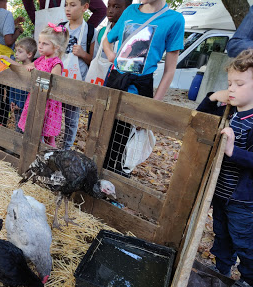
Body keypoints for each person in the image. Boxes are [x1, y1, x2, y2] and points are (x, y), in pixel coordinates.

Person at [195, 49, 253, 287]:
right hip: (220, 192)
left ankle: (249, 280)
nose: (232, 89)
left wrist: (233, 151)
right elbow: (201, 118)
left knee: (244, 239)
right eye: (229, 83)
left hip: (243, 201)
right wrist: (211, 97)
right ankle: (222, 270)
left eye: (239, 84)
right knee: (222, 233)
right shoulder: (231, 112)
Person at [101, 0, 184, 177]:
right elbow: (107, 40)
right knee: (102, 132)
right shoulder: (130, 11)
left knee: (124, 142)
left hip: (139, 87)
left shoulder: (174, 19)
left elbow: (170, 70)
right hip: (115, 80)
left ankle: (114, 184)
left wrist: (153, 107)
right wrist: (110, 55)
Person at [18, 24, 68, 147]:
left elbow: (54, 85)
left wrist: (37, 78)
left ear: (56, 47)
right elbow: (28, 68)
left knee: (47, 137)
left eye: (45, 44)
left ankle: (48, 156)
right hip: (36, 98)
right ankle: (33, 153)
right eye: (39, 42)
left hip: (48, 103)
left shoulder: (56, 64)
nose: (40, 46)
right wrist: (28, 68)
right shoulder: (41, 59)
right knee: (34, 130)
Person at [59, 0, 95, 150]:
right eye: (66, 4)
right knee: (52, 112)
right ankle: (48, 143)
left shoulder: (91, 31)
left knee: (71, 118)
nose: (68, 9)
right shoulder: (60, 28)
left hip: (77, 81)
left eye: (73, 5)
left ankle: (66, 149)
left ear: (84, 7)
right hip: (59, 77)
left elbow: (92, 60)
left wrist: (83, 54)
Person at [0, 0, 24, 127]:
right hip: (5, 57)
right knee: (7, 93)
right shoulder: (7, 14)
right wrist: (18, 32)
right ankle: (2, 123)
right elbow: (8, 40)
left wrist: (14, 23)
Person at [0, 37, 37, 132]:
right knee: (17, 126)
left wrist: (20, 104)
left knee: (25, 129)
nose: (16, 54)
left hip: (25, 107)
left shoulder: (31, 70)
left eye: (20, 52)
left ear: (29, 54)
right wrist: (11, 100)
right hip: (16, 105)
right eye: (16, 51)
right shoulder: (16, 68)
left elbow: (27, 91)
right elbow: (13, 85)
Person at [22, 0, 107, 30]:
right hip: (47, 34)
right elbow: (101, 10)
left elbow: (101, 10)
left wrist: (84, 30)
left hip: (47, 32)